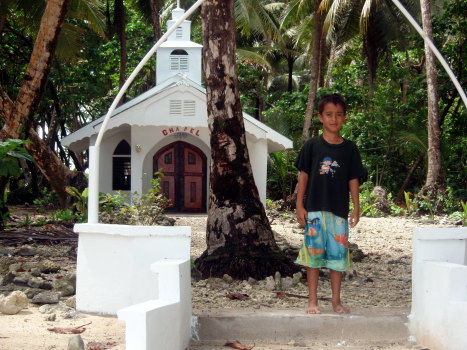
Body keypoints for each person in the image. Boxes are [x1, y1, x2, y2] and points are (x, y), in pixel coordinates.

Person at [295, 93, 363, 314]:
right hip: (314, 210)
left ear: (344, 118)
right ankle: (312, 301)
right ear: (320, 117)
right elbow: (303, 176)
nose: (334, 119)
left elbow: (353, 179)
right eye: (329, 115)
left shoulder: (350, 149)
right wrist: (299, 205)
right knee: (313, 256)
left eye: (339, 115)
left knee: (337, 258)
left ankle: (336, 301)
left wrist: (356, 206)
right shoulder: (312, 146)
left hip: (339, 213)